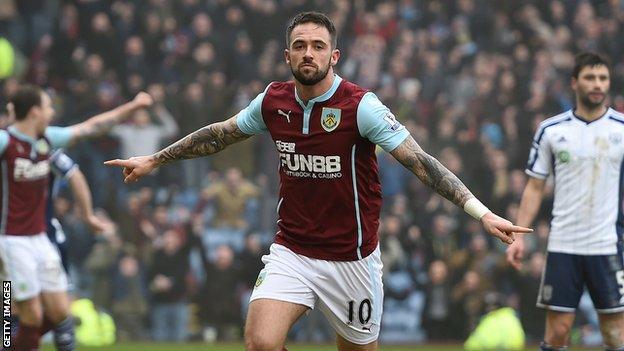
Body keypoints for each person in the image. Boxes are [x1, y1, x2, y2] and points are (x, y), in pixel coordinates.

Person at [106, 12, 530, 351]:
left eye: (318, 46)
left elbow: (421, 162)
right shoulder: (271, 101)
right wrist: (155, 160)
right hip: (293, 250)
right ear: (287, 56)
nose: (308, 53)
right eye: (300, 46)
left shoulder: (361, 106)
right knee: (260, 343)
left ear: (334, 56)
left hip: (353, 260)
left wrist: (481, 212)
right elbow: (219, 134)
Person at [0, 84, 152, 351]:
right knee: (23, 313)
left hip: (41, 240)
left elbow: (91, 127)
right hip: (12, 242)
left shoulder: (48, 140)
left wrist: (132, 107)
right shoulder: (5, 142)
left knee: (60, 312)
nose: (52, 111)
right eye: (48, 106)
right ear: (35, 112)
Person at [506, 52, 624, 351]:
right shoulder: (551, 130)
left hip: (607, 244)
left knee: (615, 333)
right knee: (558, 331)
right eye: (590, 77)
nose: (597, 84)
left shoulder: (620, 129)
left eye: (602, 78)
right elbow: (534, 186)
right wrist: (519, 234)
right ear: (575, 82)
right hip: (563, 245)